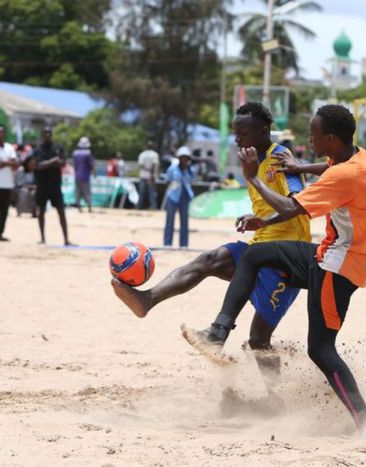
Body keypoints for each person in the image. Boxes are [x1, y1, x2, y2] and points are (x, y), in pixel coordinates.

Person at [183, 105, 366, 431]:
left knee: (320, 349)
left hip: (339, 266)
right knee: (255, 255)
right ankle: (217, 333)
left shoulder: (343, 176)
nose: (309, 138)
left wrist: (252, 178)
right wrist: (302, 165)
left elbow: (292, 208)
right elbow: (330, 165)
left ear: (330, 139)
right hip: (330, 253)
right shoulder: (359, 157)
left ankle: (365, 423)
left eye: (314, 134)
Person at [111, 102, 310, 380]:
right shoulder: (252, 159)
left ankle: (274, 401)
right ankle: (146, 300)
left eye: (243, 132)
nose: (237, 138)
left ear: (264, 131)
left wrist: (262, 212)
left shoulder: (280, 158)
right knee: (210, 260)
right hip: (259, 248)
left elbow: (295, 206)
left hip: (286, 260)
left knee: (258, 341)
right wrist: (258, 217)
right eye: (235, 132)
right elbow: (272, 207)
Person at [33, 126, 71, 245]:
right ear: (42, 135)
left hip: (55, 185)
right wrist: (53, 161)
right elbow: (38, 165)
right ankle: (43, 238)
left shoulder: (58, 147)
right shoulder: (38, 149)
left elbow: (63, 163)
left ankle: (66, 239)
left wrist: (50, 163)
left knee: (61, 211)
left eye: (49, 132)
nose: (48, 134)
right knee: (41, 211)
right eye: (45, 132)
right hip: (42, 184)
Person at [163, 146, 195, 248]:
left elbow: (192, 181)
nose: (184, 160)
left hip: (185, 197)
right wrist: (174, 188)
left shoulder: (190, 170)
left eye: (186, 158)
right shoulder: (172, 169)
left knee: (184, 222)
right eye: (182, 157)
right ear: (179, 158)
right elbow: (167, 181)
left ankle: (184, 244)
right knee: (170, 221)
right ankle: (168, 243)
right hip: (173, 196)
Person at [72, 136, 95, 213]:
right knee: (87, 192)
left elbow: (74, 165)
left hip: (77, 175)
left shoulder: (75, 153)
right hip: (85, 176)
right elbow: (91, 165)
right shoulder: (88, 153)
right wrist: (94, 173)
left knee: (78, 192)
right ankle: (89, 208)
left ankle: (79, 208)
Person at [137, 141, 159, 209]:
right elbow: (154, 165)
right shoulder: (154, 154)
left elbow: (140, 165)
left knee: (142, 193)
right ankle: (153, 207)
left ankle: (140, 207)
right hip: (151, 176)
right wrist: (151, 174)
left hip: (143, 175)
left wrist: (147, 170)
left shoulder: (142, 154)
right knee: (152, 194)